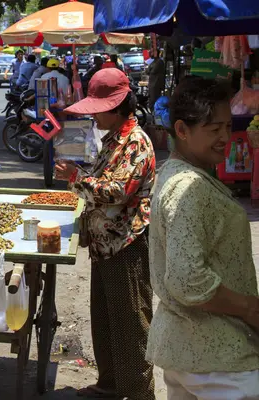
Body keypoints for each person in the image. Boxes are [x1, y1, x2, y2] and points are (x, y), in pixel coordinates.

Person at [147, 76, 259, 399]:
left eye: (227, 126)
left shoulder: (177, 173)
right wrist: (250, 309)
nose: (225, 137)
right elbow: (187, 280)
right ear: (182, 130)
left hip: (189, 352)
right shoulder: (188, 188)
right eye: (214, 130)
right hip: (218, 359)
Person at [54, 68, 156, 400]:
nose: (95, 115)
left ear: (118, 107)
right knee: (106, 318)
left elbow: (116, 191)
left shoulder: (136, 142)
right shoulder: (113, 139)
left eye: (99, 108)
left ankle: (140, 392)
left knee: (131, 324)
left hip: (126, 244)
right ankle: (111, 383)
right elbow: (102, 184)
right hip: (105, 244)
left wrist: (75, 179)